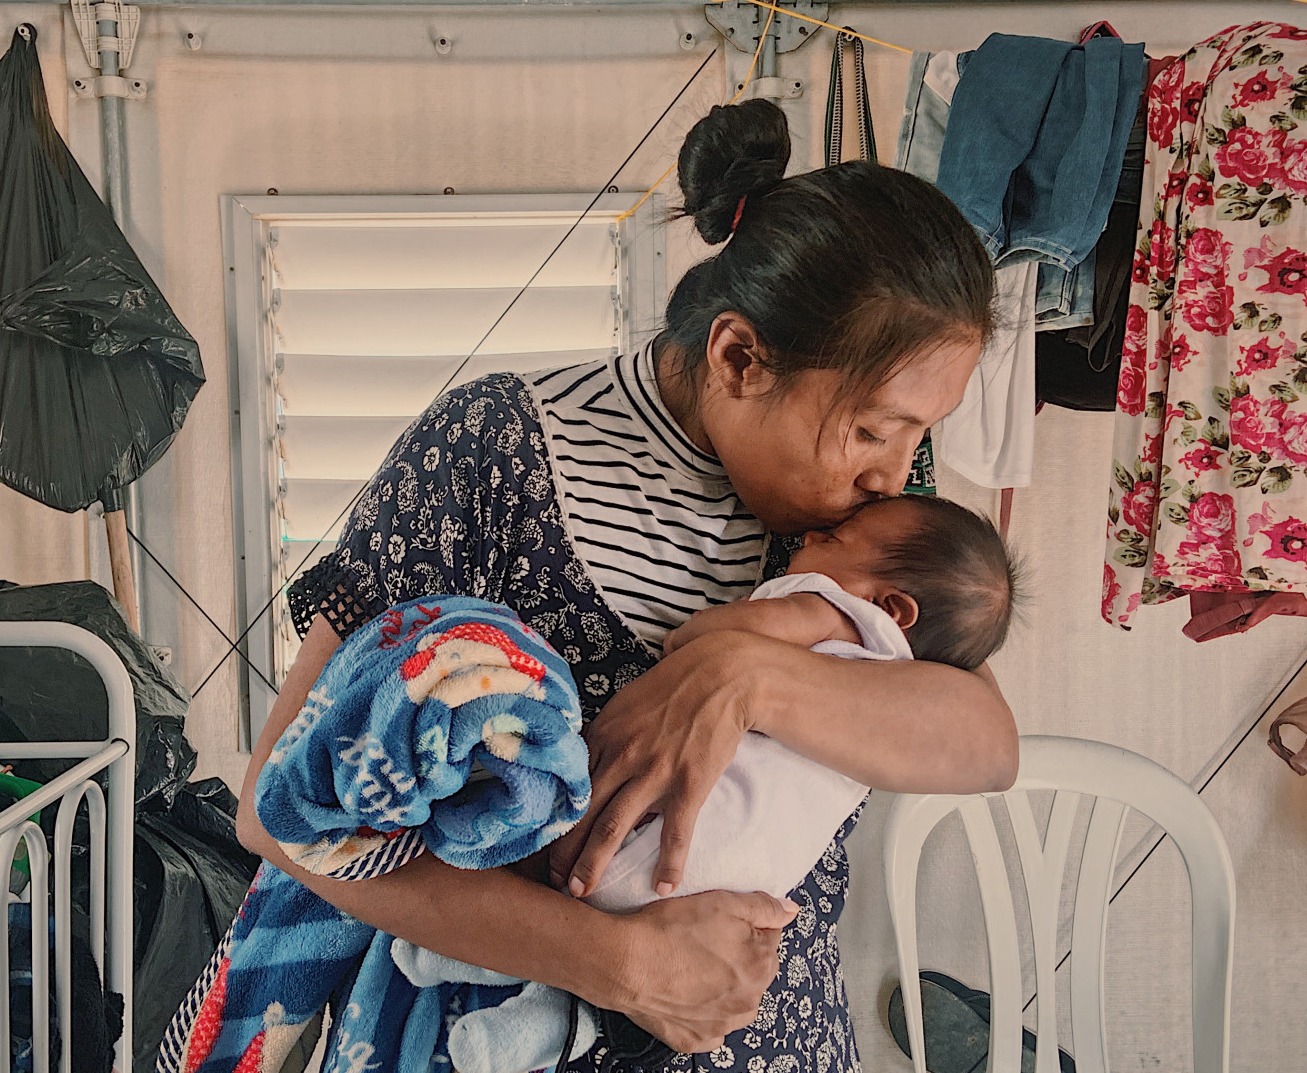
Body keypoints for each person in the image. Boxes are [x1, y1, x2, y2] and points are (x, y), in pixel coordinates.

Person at [233, 97, 1017, 1073]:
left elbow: (982, 741)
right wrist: (622, 964)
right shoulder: (493, 452)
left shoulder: (864, 526)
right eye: (871, 429)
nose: (893, 473)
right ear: (739, 357)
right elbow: (282, 812)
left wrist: (747, 678)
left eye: (916, 434)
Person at [390, 492, 1020, 1073]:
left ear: (893, 607)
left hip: (642, 851)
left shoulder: (832, 607)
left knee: (542, 835)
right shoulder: (908, 679)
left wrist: (724, 658)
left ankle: (464, 963)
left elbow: (700, 639)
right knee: (600, 985)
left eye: (834, 537)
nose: (812, 537)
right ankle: (532, 1025)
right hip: (735, 902)